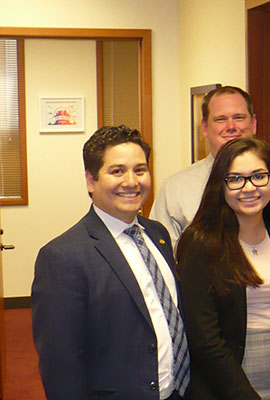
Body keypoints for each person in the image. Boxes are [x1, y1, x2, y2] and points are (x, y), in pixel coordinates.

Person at [32, 125, 190, 399]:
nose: (132, 181)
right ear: (91, 181)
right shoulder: (62, 257)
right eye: (117, 171)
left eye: (140, 170)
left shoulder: (158, 234)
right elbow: (61, 364)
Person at [176, 138, 270, 399]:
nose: (249, 188)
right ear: (220, 185)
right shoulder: (199, 243)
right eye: (235, 179)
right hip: (223, 385)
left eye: (259, 176)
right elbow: (204, 337)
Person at [152, 86, 258, 246]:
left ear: (254, 124)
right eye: (220, 119)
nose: (231, 126)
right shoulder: (175, 189)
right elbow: (162, 257)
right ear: (205, 127)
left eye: (239, 117)